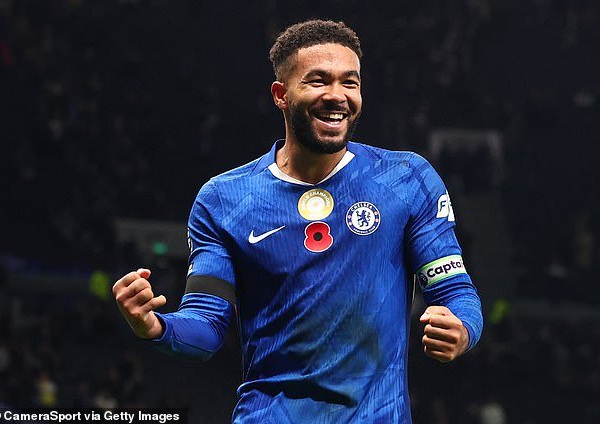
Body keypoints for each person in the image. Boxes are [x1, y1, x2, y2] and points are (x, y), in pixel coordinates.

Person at [113, 19, 483, 423]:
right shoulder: (224, 199)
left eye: (350, 82)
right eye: (318, 81)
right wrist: (154, 326)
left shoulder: (407, 179)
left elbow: (456, 293)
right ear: (281, 95)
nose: (337, 95)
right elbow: (205, 327)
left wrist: (462, 330)